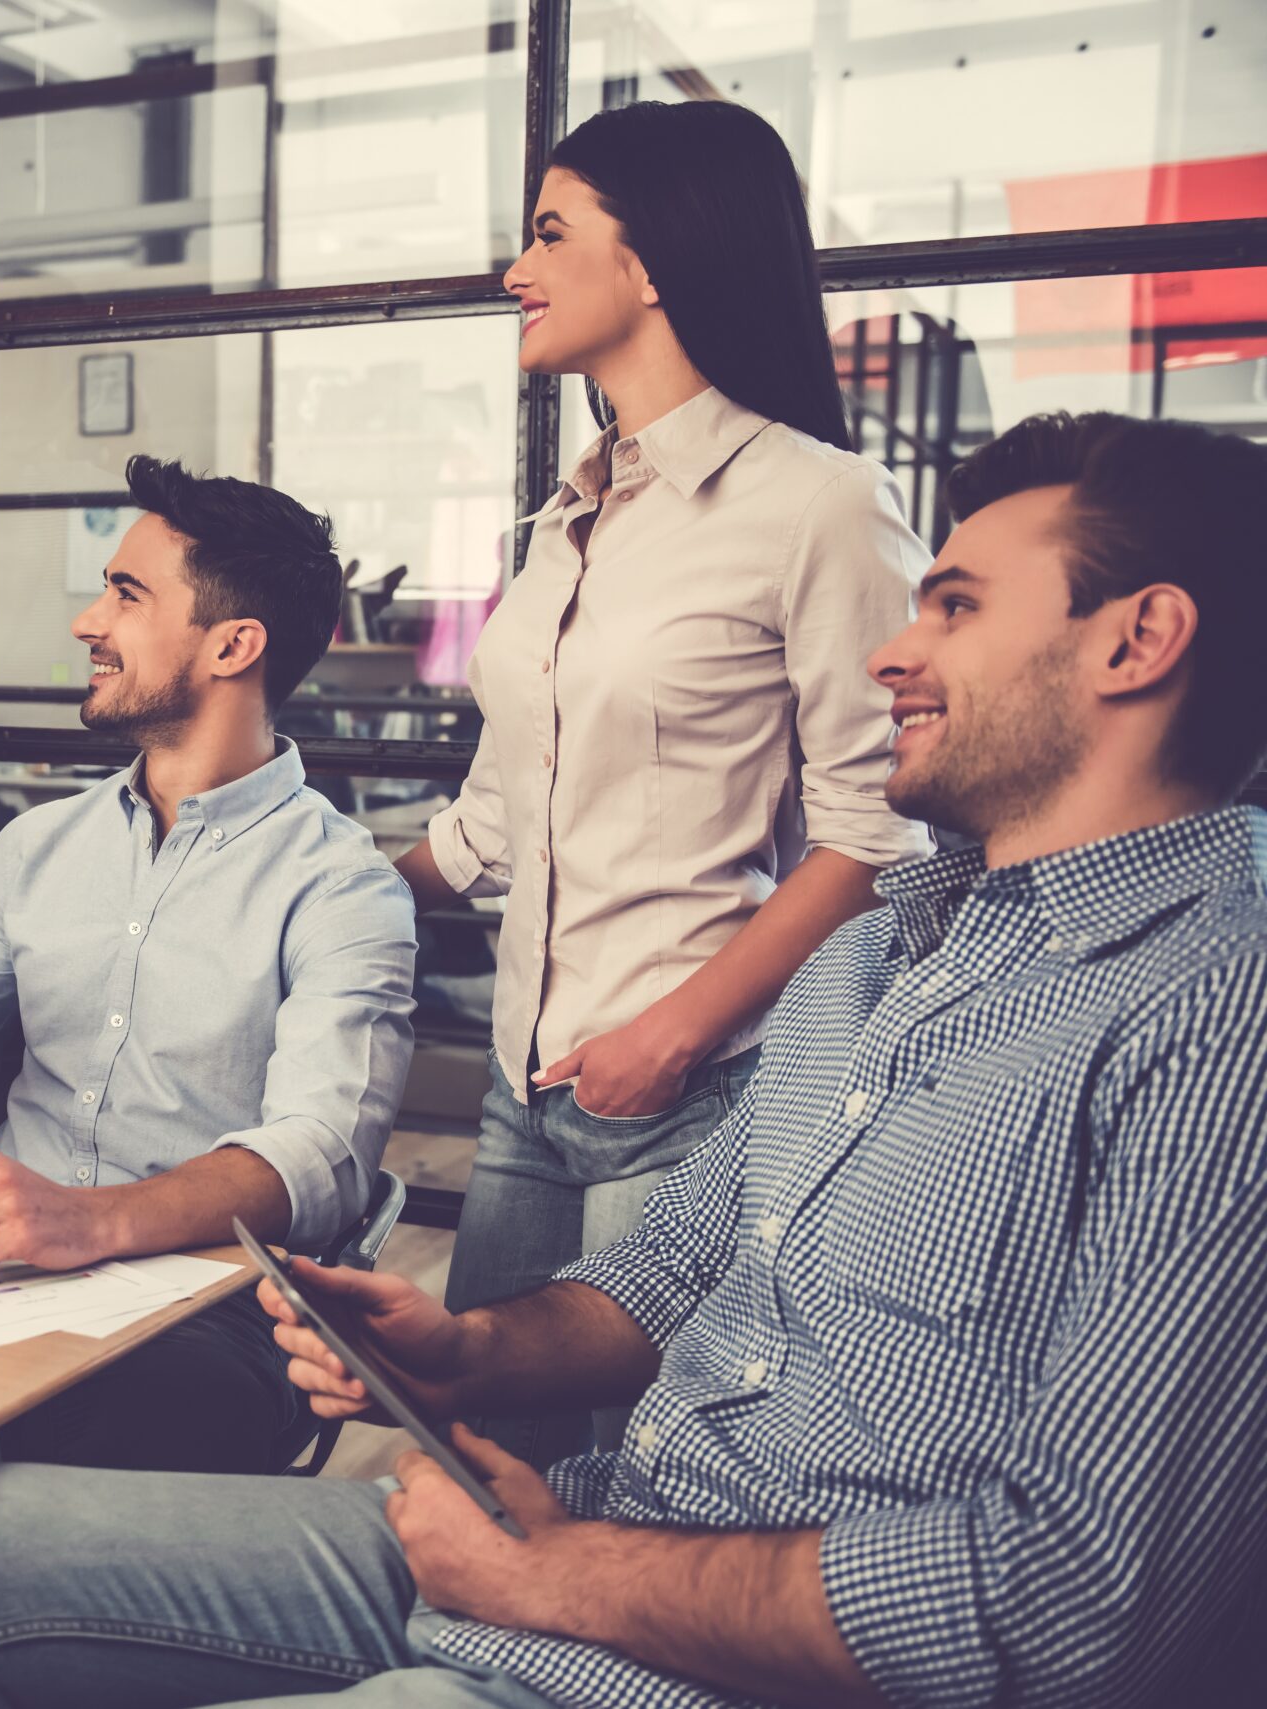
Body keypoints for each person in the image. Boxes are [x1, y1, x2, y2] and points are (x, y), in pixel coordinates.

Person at [0, 410, 1267, 1709]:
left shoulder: (1215, 1010)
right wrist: (458, 1353)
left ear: (1139, 639)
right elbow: (659, 1281)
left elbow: (1072, 1597)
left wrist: (570, 1571)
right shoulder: (876, 952)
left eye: (952, 606)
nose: (889, 654)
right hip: (579, 1536)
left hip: (680, 1637)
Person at [398, 101, 933, 1466]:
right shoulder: (574, 517)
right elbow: (494, 822)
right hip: (526, 1081)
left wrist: (678, 1034)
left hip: (688, 1090)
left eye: (549, 232)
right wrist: (286, 880)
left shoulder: (818, 504)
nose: (516, 270)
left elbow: (883, 838)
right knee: (481, 1461)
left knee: (626, 1482)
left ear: (651, 264)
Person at [0, 455, 418, 1475]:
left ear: (234, 643)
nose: (86, 622)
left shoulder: (343, 886)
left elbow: (322, 1155)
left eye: (126, 593)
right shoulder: (34, 847)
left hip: (205, 1304)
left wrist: (88, 1220)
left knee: (32, 1446)